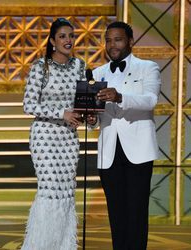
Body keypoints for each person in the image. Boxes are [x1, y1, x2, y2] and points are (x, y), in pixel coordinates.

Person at [87, 21, 161, 250]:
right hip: (109, 152)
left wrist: (120, 97)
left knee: (136, 211)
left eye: (117, 39)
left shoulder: (147, 67)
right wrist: (91, 119)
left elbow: (150, 100)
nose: (112, 45)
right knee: (116, 213)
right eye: (108, 40)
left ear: (130, 41)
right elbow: (97, 116)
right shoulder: (96, 73)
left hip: (138, 151)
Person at [21, 18, 85, 250]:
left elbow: (83, 100)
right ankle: (40, 245)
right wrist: (62, 113)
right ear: (52, 41)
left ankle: (63, 246)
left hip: (69, 137)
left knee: (66, 190)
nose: (68, 40)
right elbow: (28, 104)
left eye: (71, 35)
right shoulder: (41, 67)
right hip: (45, 137)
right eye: (62, 36)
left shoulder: (79, 66)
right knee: (50, 189)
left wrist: (89, 114)